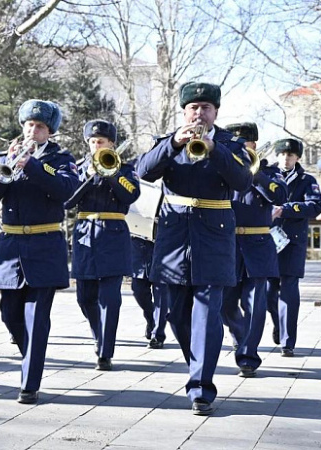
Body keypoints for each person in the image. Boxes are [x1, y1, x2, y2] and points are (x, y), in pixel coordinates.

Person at [136, 82, 252, 416]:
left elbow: (243, 182)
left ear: (216, 112)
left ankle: (201, 387)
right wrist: (174, 143)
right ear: (184, 111)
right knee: (176, 314)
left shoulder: (229, 143)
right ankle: (198, 365)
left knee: (206, 312)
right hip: (174, 236)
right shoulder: (169, 141)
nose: (199, 113)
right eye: (193, 108)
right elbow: (144, 170)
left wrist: (214, 148)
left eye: (205, 107)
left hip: (214, 235)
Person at [0, 99, 79, 404]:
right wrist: (2, 171)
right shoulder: (4, 156)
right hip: (10, 247)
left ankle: (29, 382)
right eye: (28, 126)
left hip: (45, 244)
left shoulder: (61, 159)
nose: (32, 132)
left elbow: (67, 191)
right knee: (9, 314)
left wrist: (32, 166)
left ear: (49, 131)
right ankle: (31, 357)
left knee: (37, 318)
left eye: (39, 127)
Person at [64, 120, 140, 371]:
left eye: (101, 142)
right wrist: (88, 177)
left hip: (114, 235)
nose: (97, 146)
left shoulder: (125, 169)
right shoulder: (77, 169)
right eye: (93, 142)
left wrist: (112, 174)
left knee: (110, 297)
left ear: (111, 144)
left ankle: (106, 352)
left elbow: (130, 195)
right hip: (85, 235)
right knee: (84, 298)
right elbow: (68, 201)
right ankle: (99, 336)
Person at [220, 123, 288, 378]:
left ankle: (248, 356)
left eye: (244, 144)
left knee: (254, 305)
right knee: (224, 305)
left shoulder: (268, 171)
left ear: (254, 145)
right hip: (227, 247)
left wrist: (255, 173)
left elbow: (280, 196)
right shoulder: (222, 170)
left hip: (258, 246)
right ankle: (240, 337)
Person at [266, 138, 321, 358]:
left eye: (290, 155)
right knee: (269, 292)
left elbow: (315, 206)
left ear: (297, 157)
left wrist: (285, 209)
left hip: (292, 242)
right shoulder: (267, 176)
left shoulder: (307, 180)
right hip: (268, 240)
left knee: (289, 290)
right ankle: (279, 325)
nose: (286, 158)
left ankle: (288, 342)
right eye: (282, 154)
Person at [130, 236, 168, 349]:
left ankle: (158, 335)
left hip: (162, 252)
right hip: (138, 251)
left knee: (161, 298)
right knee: (138, 292)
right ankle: (151, 318)